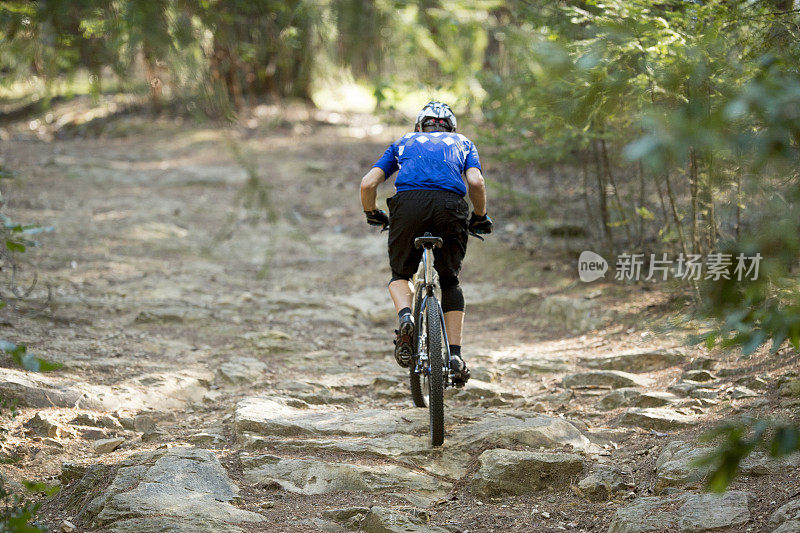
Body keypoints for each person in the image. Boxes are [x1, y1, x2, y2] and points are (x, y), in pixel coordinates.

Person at [359, 101, 493, 387]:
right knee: (450, 281)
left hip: (408, 207)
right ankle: (455, 357)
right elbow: (476, 182)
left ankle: (406, 316)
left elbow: (368, 184)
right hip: (450, 208)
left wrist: (372, 213)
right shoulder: (463, 142)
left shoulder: (405, 142)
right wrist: (480, 216)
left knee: (400, 275)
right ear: (451, 128)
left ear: (419, 126)